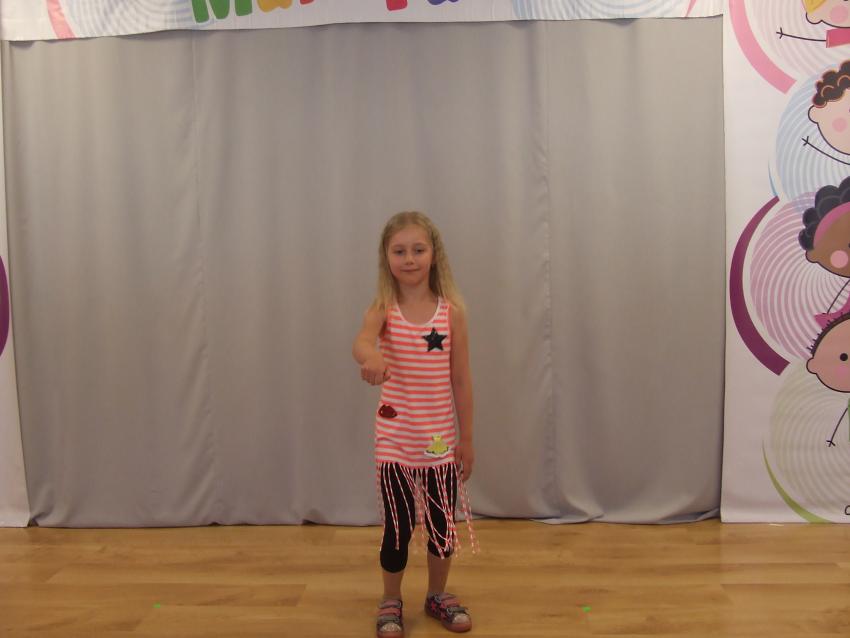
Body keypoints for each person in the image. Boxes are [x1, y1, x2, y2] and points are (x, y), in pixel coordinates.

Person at [353, 211, 477, 637]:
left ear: (433, 255)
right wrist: (371, 356)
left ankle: (436, 595)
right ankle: (391, 599)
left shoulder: (451, 314)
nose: (409, 259)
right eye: (400, 251)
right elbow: (361, 341)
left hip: (439, 442)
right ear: (386, 257)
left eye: (418, 250)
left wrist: (467, 440)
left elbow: (461, 380)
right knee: (399, 526)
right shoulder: (383, 310)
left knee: (442, 527)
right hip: (395, 441)